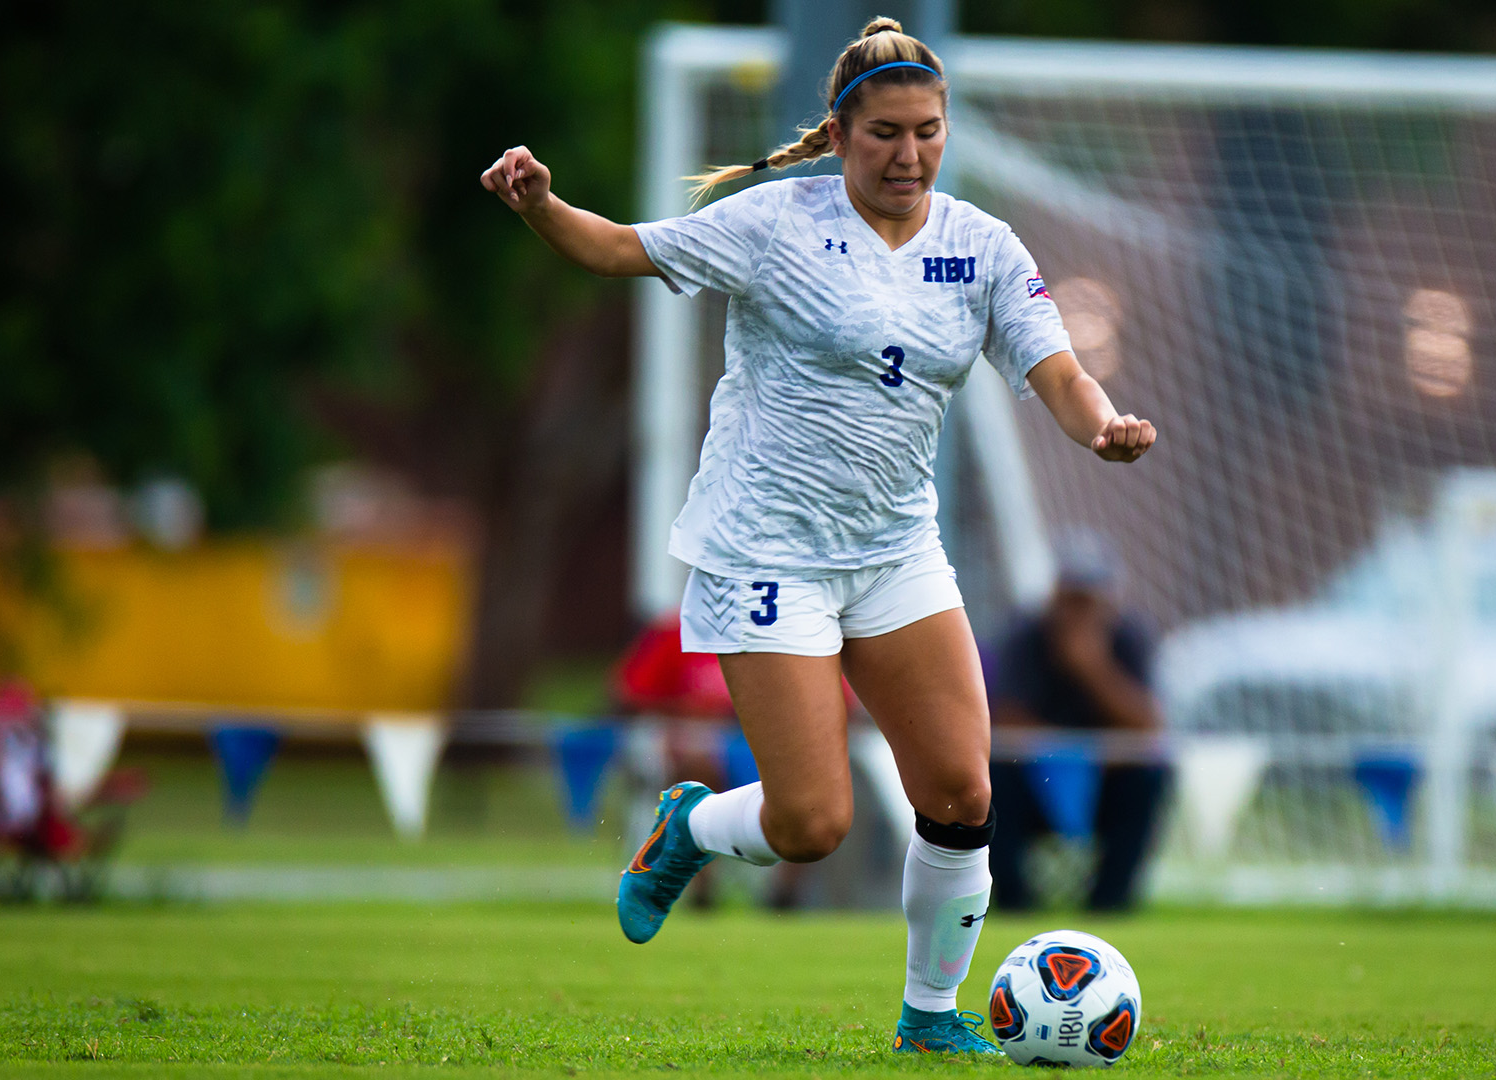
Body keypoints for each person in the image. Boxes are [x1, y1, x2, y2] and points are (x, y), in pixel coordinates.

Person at [482, 17, 1155, 1054]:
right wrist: (538, 206)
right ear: (840, 134)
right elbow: (615, 248)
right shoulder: (772, 224)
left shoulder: (980, 246)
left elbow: (1056, 371)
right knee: (811, 824)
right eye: (886, 133)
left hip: (893, 553)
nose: (910, 154)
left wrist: (1102, 425)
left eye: (928, 131)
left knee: (962, 787)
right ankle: (689, 829)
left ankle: (931, 1017)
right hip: (767, 552)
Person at [988, 530, 1166, 912]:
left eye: (1087, 601)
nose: (1077, 612)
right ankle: (1014, 905)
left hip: (1107, 784)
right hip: (1037, 782)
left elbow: (1147, 728)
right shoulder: (1024, 635)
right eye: (1070, 599)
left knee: (1151, 776)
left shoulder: (1131, 637)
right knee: (994, 775)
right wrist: (1080, 751)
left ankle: (1110, 907)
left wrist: (1092, 668)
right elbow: (1007, 723)